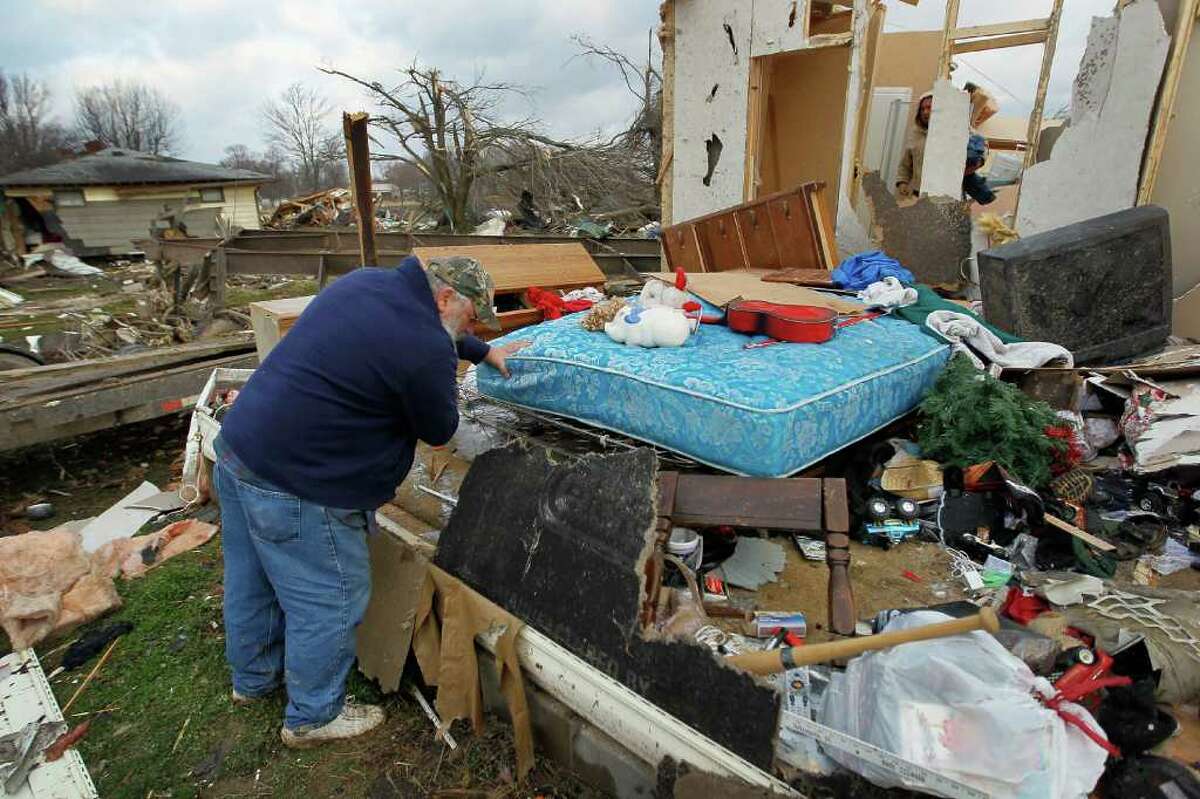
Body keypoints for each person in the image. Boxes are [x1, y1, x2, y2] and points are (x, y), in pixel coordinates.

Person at [213, 255, 525, 749]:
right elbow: (439, 429)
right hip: (301, 483)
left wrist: (481, 351)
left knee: (252, 579)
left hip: (241, 451)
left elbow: (428, 331)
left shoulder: (367, 284)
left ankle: (252, 682)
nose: (471, 327)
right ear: (444, 298)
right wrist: (451, 364)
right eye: (470, 318)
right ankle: (312, 717)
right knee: (330, 597)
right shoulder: (424, 349)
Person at [895, 90, 995, 205]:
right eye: (922, 109)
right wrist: (902, 182)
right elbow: (906, 164)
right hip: (921, 195)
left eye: (929, 108)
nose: (925, 112)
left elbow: (983, 147)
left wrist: (977, 163)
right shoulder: (915, 134)